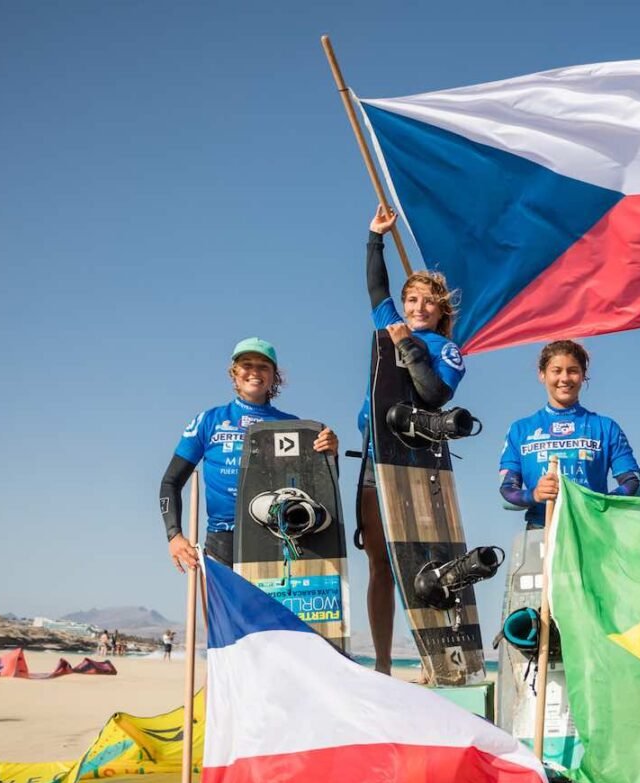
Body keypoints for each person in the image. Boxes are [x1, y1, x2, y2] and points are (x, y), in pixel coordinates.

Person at [358, 205, 467, 674]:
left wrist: (408, 346)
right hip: (374, 457)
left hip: (419, 461)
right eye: (412, 300)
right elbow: (376, 288)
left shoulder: (449, 350)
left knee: (424, 563)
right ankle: (382, 663)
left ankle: (434, 657)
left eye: (427, 301)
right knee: (380, 564)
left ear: (442, 309)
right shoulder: (388, 320)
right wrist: (375, 237)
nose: (418, 307)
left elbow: (435, 392)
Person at [159, 338, 338, 570]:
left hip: (278, 534)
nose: (255, 372)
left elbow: (319, 489)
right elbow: (170, 482)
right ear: (234, 373)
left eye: (263, 366)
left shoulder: (293, 425)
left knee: (271, 608)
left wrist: (331, 454)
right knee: (228, 608)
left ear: (275, 376)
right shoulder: (208, 420)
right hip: (224, 538)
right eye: (247, 365)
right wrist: (174, 535)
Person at [499, 340, 640, 528]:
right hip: (541, 532)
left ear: (583, 376)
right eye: (556, 371)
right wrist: (534, 494)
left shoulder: (605, 427)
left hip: (593, 531)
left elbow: (634, 484)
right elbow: (507, 493)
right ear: (542, 374)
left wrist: (599, 502)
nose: (565, 378)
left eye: (573, 371)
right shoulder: (520, 430)